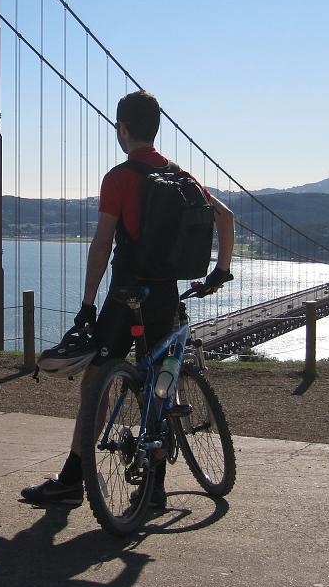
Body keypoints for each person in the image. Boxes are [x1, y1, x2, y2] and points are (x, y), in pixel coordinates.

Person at [21, 90, 235, 507]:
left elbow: (102, 244)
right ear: (155, 128)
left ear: (122, 128)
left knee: (95, 384)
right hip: (166, 297)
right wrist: (219, 272)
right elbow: (225, 217)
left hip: (126, 296)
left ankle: (70, 481)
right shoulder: (182, 176)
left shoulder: (119, 178)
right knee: (160, 384)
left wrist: (87, 304)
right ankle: (155, 485)